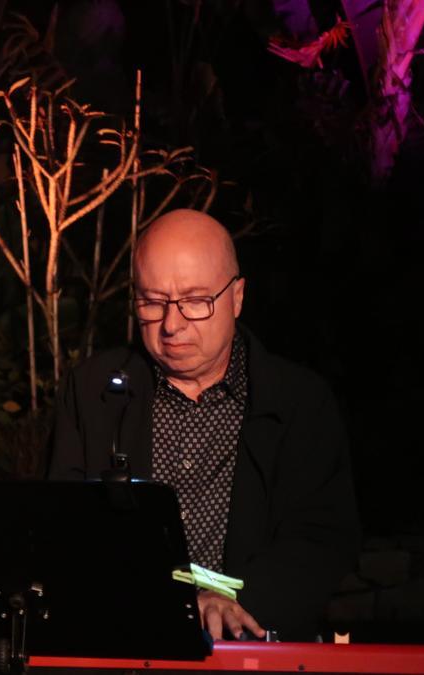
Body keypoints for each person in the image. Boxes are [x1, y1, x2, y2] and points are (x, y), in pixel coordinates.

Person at [47, 209, 359, 642]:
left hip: (255, 648)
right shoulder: (92, 392)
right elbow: (64, 529)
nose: (172, 326)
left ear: (237, 297)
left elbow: (321, 538)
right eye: (153, 303)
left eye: (195, 301)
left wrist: (235, 600)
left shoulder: (299, 402)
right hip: (126, 644)